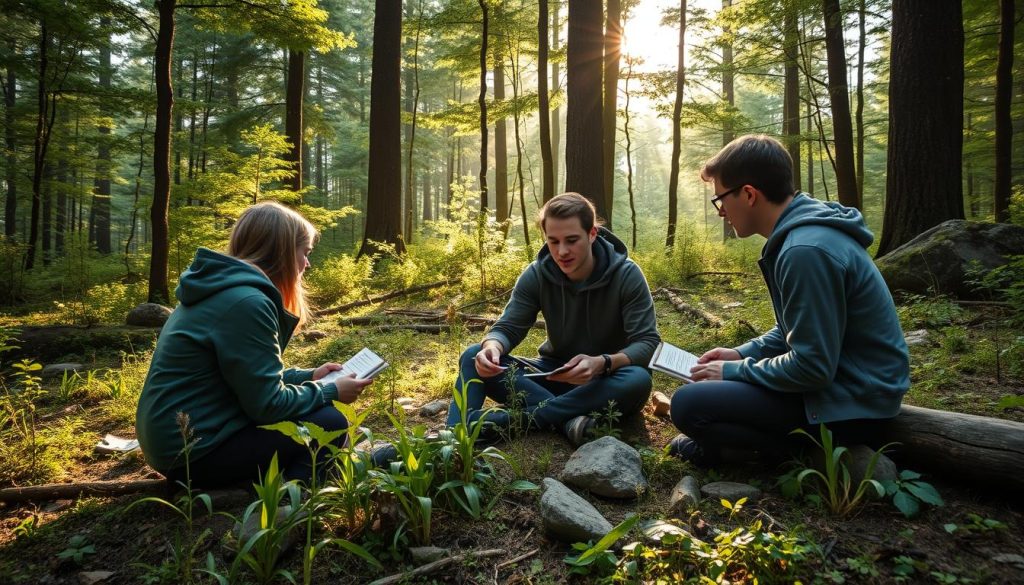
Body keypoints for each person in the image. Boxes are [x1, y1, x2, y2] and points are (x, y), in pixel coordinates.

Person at [667, 134, 910, 465]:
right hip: (848, 387)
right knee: (700, 398)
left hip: (854, 403)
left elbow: (812, 367)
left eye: (721, 199)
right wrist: (740, 353)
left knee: (688, 405)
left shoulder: (804, 251)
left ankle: (785, 455)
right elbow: (792, 332)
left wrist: (734, 372)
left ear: (749, 194)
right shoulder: (802, 236)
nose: (721, 211)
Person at [136, 202, 372, 488]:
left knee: (320, 417)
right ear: (283, 251)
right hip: (195, 453)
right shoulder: (247, 303)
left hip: (177, 444)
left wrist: (308, 376)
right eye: (305, 253)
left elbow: (242, 378)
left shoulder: (222, 290)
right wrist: (330, 390)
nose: (307, 264)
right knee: (329, 422)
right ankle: (293, 496)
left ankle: (313, 474)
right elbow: (268, 405)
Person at [447, 192, 661, 446]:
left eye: (572, 240)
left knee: (637, 380)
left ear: (592, 234)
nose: (562, 251)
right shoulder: (537, 274)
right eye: (553, 241)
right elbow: (508, 327)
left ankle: (499, 423)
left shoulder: (626, 275)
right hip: (552, 376)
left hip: (606, 381)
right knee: (474, 355)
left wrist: (603, 362)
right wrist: (491, 347)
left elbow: (648, 343)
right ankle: (454, 440)